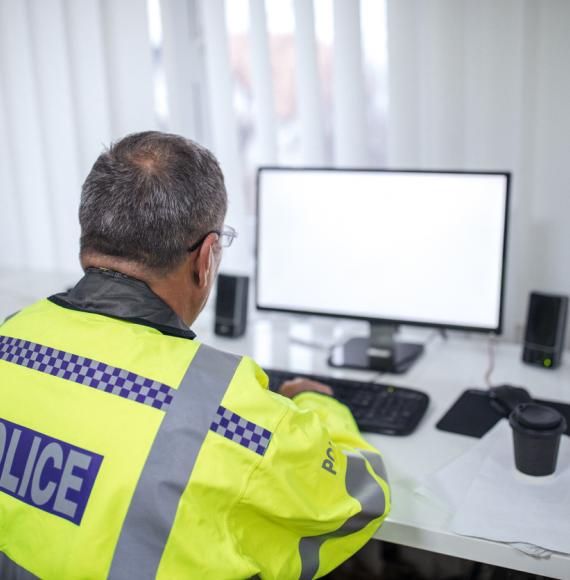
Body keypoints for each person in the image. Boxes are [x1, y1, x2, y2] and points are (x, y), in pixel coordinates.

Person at [0, 131, 390, 579]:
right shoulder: (230, 415)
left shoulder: (13, 336)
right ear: (205, 258)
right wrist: (319, 403)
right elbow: (360, 499)